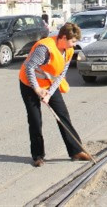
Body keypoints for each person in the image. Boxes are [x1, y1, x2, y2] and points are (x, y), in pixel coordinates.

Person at [19, 23, 91, 167]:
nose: (74, 44)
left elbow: (61, 74)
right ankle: (38, 156)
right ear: (63, 37)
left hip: (49, 84)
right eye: (73, 41)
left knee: (63, 115)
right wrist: (38, 90)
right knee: (35, 120)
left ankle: (76, 151)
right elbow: (29, 68)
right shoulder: (44, 48)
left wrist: (49, 94)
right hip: (29, 84)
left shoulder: (68, 50)